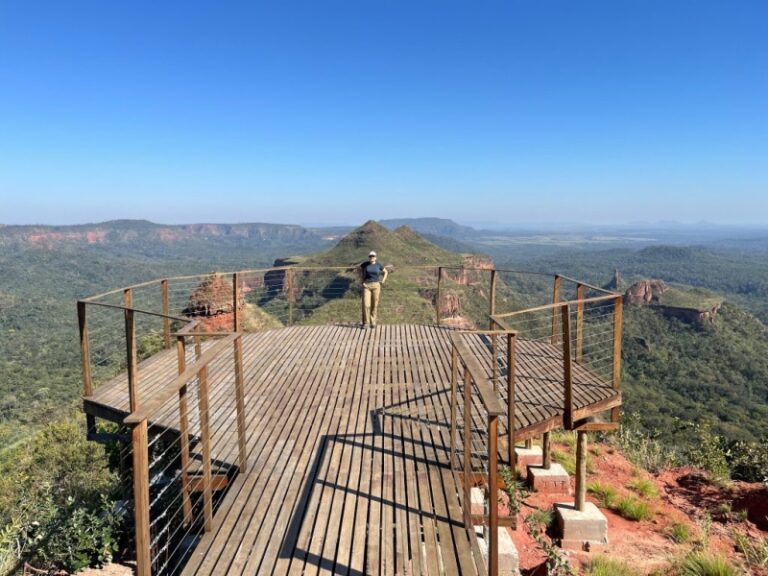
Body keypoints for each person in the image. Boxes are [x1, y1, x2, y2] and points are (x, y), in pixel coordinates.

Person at [359, 250, 388, 328]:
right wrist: (361, 280)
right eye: (370, 256)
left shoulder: (379, 265)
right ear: (368, 257)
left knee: (374, 305)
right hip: (367, 286)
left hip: (376, 286)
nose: (372, 257)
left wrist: (383, 281)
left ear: (376, 257)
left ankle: (373, 322)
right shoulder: (365, 264)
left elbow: (385, 272)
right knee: (366, 304)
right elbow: (358, 270)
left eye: (373, 256)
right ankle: (366, 322)